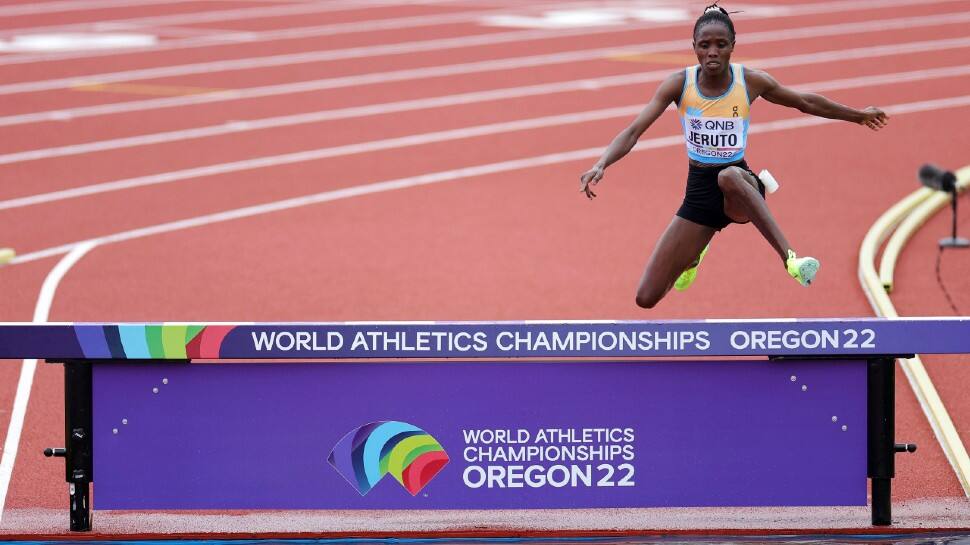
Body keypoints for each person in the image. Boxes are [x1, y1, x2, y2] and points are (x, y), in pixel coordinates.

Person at [579, 3, 888, 309]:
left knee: (727, 176)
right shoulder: (679, 84)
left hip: (741, 189)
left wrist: (858, 115)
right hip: (700, 194)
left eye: (720, 45)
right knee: (646, 298)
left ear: (732, 47)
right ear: (694, 48)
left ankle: (791, 259)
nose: (712, 51)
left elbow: (805, 102)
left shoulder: (750, 81)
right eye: (705, 45)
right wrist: (602, 162)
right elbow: (634, 131)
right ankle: (695, 253)